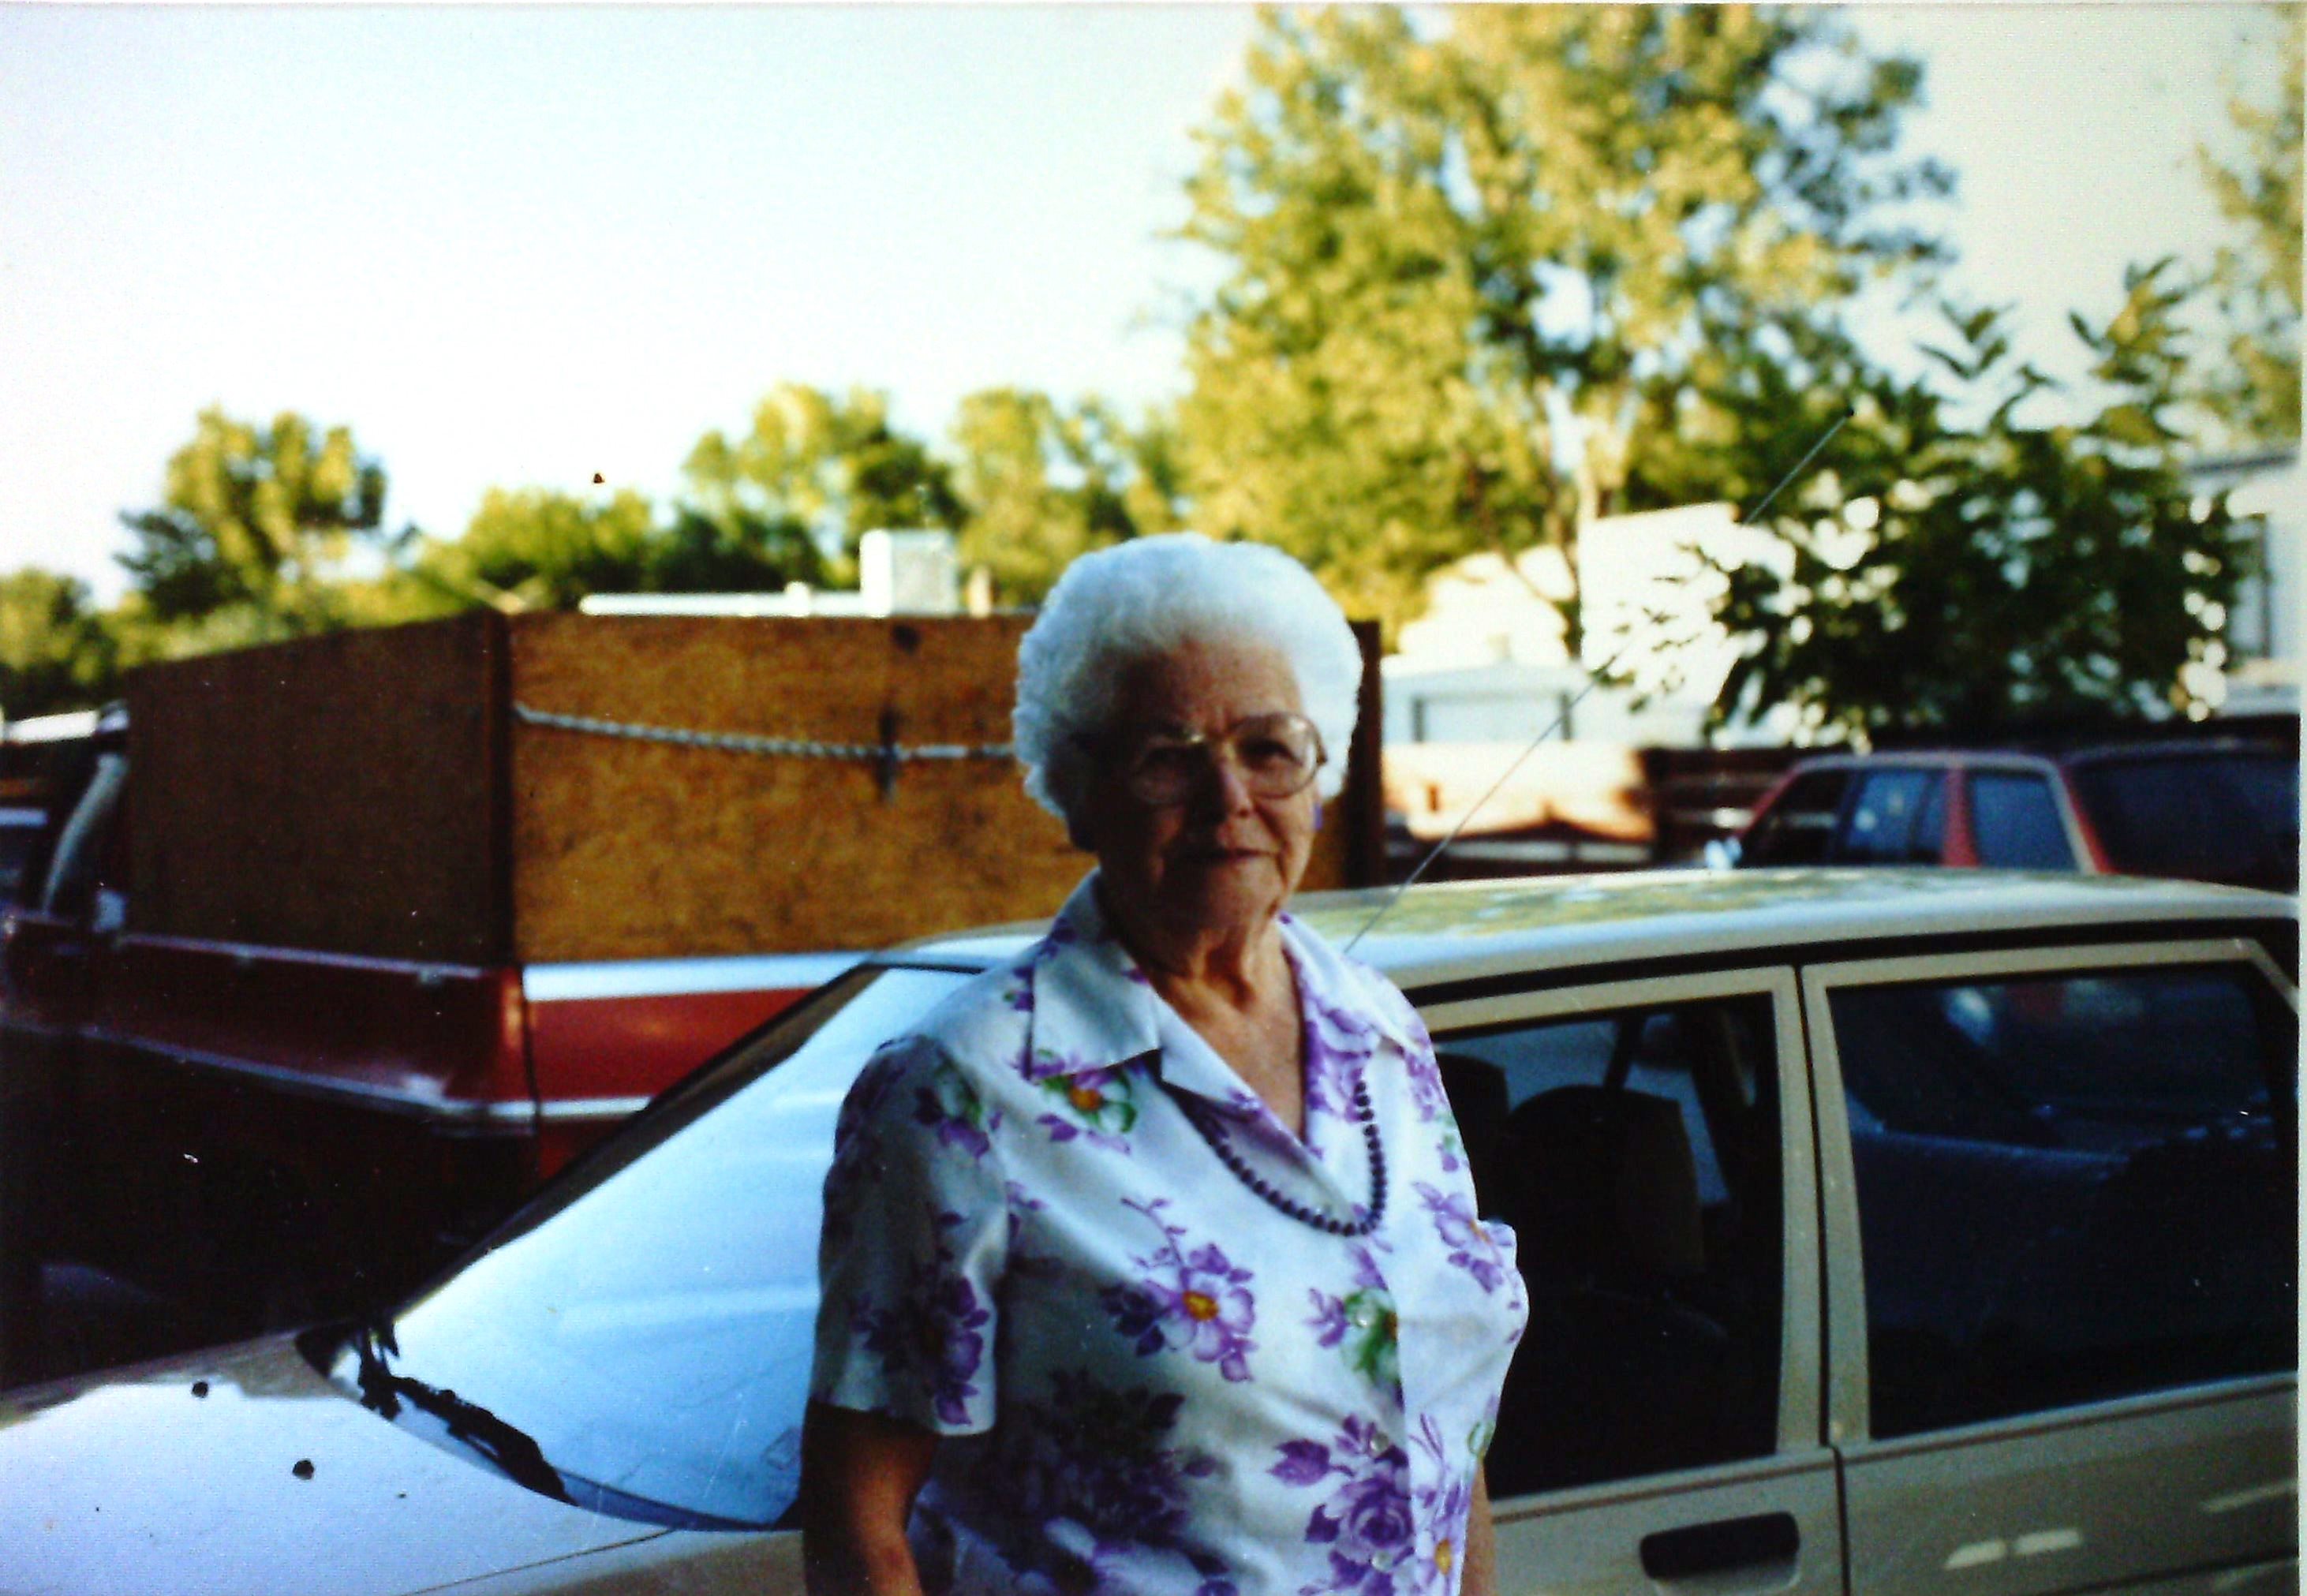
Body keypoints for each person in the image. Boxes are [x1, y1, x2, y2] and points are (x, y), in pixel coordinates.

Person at [802, 533, 1527, 1596]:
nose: (1227, 795)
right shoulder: (962, 1091)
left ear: (1318, 777)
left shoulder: (1383, 1032)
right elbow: (858, 1520)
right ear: (1080, 791)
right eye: (1167, 756)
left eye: (1268, 749)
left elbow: (1446, 1446)